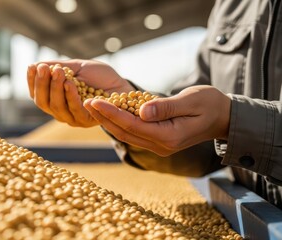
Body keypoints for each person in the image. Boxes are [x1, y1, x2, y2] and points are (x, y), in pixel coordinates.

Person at [26, 0, 282, 209]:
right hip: (244, 213)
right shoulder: (232, 5)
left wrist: (230, 119)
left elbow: (219, 115)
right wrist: (124, 99)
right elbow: (202, 141)